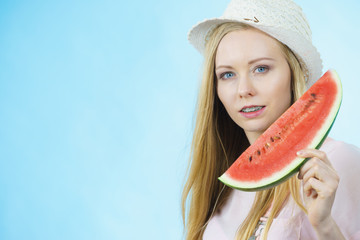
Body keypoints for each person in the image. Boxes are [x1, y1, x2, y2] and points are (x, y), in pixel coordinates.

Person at [181, 0, 360, 239]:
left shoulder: (337, 161)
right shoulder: (224, 181)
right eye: (227, 74)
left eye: (261, 69)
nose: (243, 89)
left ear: (294, 71)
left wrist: (325, 226)